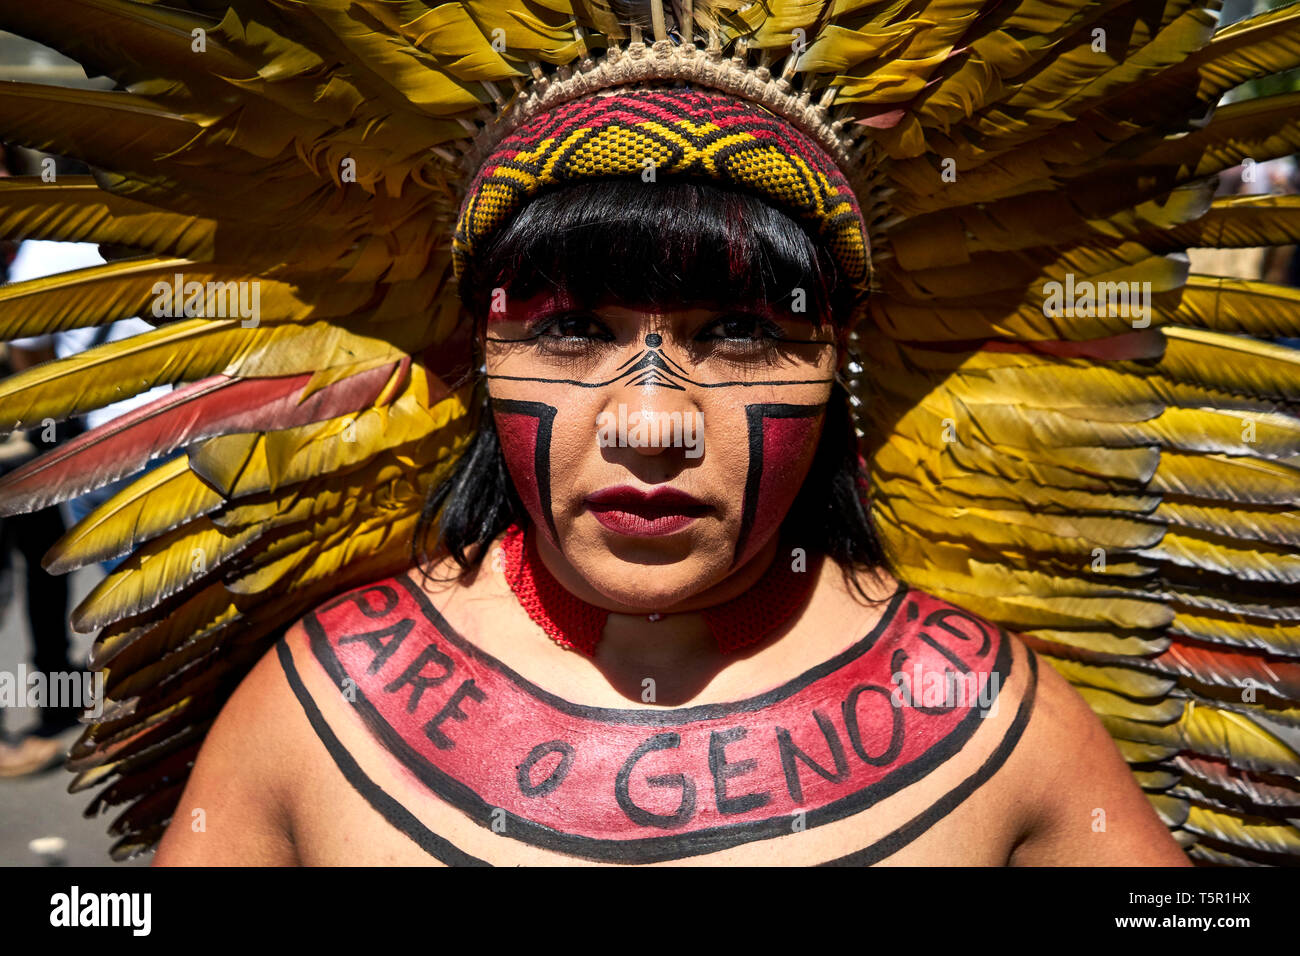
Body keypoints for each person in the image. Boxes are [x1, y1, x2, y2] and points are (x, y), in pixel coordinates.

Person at [1, 0, 1297, 867]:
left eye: (743, 335)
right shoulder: (308, 711)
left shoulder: (1008, 724)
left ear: (840, 356)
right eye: (569, 332)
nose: (654, 424)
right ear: (475, 358)